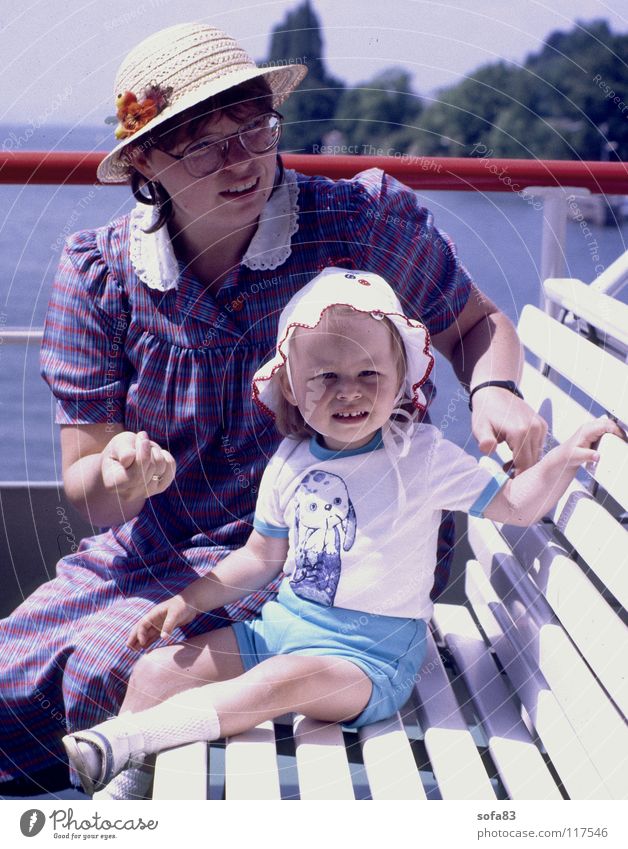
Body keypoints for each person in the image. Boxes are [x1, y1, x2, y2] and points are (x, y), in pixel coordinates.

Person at [0, 22, 547, 794]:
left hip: (332, 560)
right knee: (12, 672)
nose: (243, 160)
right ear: (145, 163)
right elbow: (88, 493)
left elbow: (474, 324)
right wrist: (120, 470)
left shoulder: (355, 224)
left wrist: (492, 386)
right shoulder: (100, 275)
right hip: (158, 547)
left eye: (255, 128)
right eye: (202, 143)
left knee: (112, 668)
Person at [61, 267, 621, 799]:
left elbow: (515, 505)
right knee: (159, 670)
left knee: (280, 681)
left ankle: (123, 741)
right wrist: (187, 600)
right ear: (293, 390)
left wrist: (565, 459)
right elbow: (259, 558)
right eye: (325, 377)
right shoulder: (290, 460)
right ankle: (123, 797)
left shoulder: (419, 457)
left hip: (370, 662)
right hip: (280, 631)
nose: (348, 391)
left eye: (368, 375)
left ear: (401, 380)